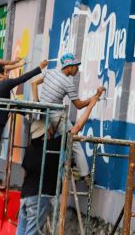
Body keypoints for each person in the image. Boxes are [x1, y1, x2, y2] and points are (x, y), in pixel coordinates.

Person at [16, 95, 99, 235]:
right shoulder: (53, 145)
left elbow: (26, 172)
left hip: (25, 196)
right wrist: (90, 105)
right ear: (46, 132)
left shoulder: (30, 149)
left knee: (21, 231)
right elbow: (77, 127)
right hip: (39, 197)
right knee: (31, 232)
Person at [0, 59, 48, 188]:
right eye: (6, 72)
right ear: (1, 75)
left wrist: (24, 112)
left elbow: (7, 104)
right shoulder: (4, 84)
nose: (8, 74)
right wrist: (39, 68)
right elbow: (22, 79)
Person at [30, 53, 104, 182]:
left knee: (52, 145)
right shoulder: (67, 83)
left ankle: (70, 166)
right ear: (69, 66)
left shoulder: (50, 72)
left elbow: (33, 83)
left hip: (44, 114)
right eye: (76, 66)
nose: (77, 69)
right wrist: (94, 97)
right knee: (73, 141)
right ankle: (85, 175)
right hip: (56, 115)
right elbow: (79, 105)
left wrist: (37, 102)